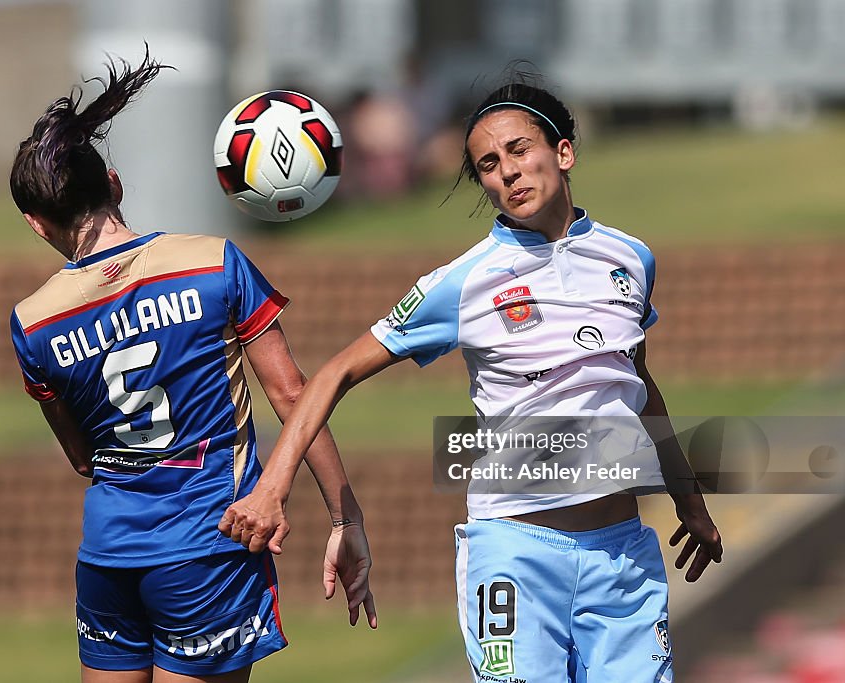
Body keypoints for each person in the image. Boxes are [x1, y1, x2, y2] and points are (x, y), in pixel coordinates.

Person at [220, 70, 723, 682]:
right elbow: (336, 372)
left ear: (563, 152)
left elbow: (638, 383)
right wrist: (273, 486)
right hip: (515, 556)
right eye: (487, 163)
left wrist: (688, 501)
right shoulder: (465, 280)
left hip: (623, 556)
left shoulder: (630, 258)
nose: (506, 172)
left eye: (518, 150)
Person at [8, 49, 375, 683]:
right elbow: (291, 393)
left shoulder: (32, 322)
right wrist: (346, 517)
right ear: (115, 184)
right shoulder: (213, 262)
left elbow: (81, 456)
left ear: (37, 225)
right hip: (208, 545)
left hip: (108, 558)